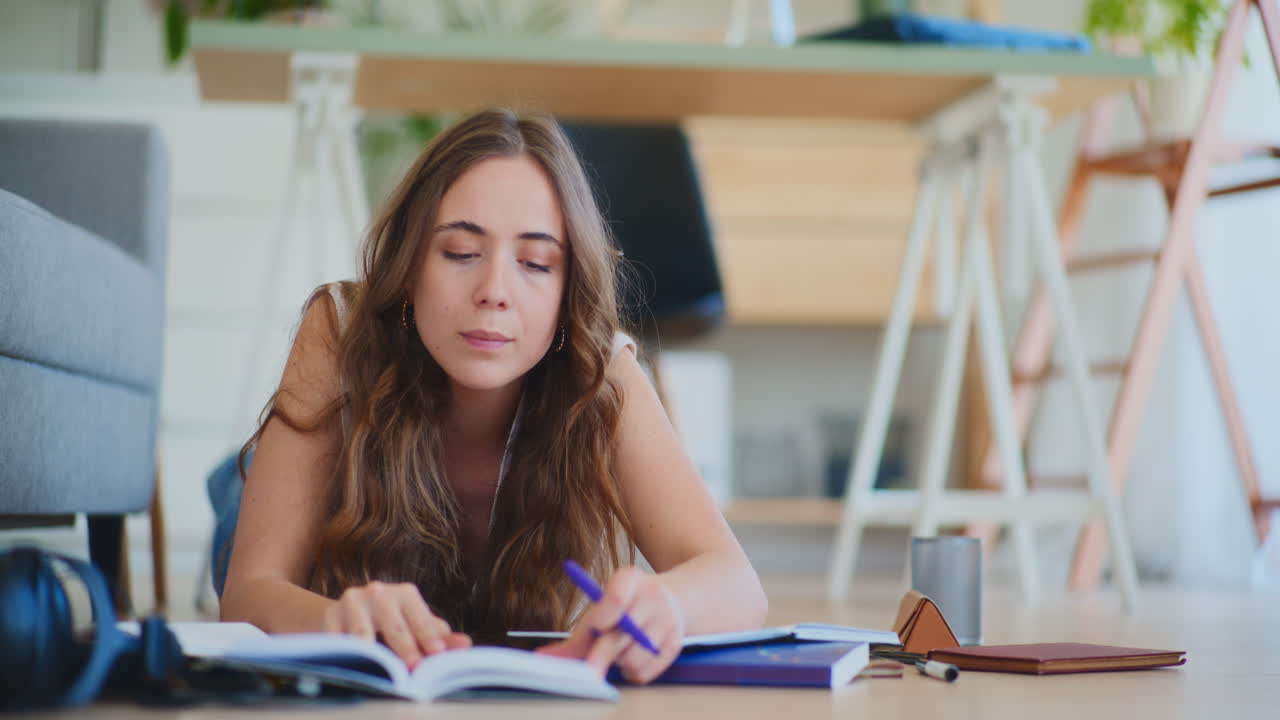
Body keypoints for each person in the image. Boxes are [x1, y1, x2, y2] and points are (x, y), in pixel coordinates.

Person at [217, 108, 767, 684]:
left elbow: (739, 585)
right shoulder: (340, 328)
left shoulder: (599, 368)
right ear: (408, 269)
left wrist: (668, 606)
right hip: (308, 520)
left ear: (566, 294)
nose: (494, 292)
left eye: (534, 263)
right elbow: (249, 592)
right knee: (240, 497)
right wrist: (337, 621)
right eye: (459, 253)